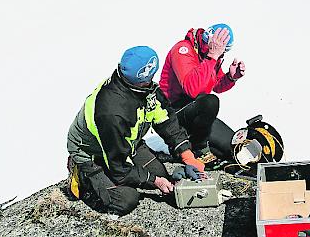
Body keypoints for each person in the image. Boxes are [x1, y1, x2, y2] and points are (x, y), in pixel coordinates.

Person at [67, 46, 204, 215]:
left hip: (125, 141)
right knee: (126, 200)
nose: (153, 80)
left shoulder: (142, 87)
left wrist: (187, 155)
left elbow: (165, 120)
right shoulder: (112, 113)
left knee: (160, 174)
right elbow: (118, 168)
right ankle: (83, 177)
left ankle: (131, 168)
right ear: (139, 79)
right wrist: (154, 181)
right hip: (91, 152)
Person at [159, 23, 246, 165]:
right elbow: (191, 88)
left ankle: (195, 144)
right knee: (210, 101)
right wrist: (212, 57)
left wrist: (230, 78)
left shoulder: (208, 54)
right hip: (173, 112)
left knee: (233, 149)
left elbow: (214, 84)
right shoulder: (183, 50)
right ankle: (197, 148)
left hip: (195, 112)